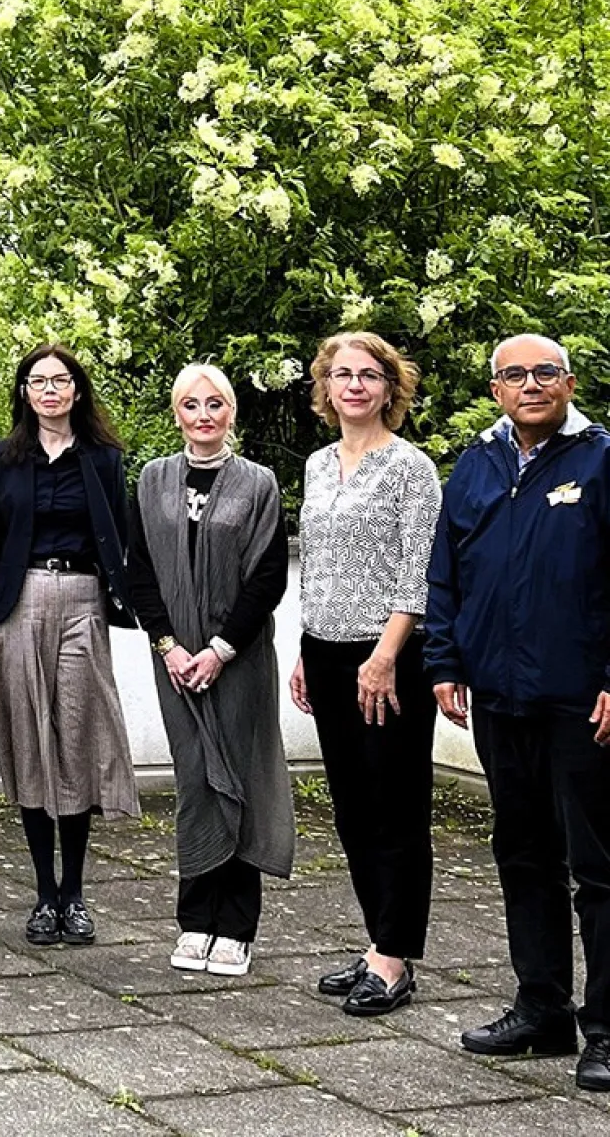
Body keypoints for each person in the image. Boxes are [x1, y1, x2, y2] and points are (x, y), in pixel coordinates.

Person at [426, 333, 610, 1091]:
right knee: (523, 857)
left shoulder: (600, 459)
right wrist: (443, 663)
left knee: (600, 870)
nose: (530, 384)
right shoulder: (476, 464)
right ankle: (541, 1010)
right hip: (499, 697)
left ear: (567, 383)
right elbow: (446, 573)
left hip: (581, 700)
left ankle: (605, 1030)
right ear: (495, 388)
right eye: (514, 374)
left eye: (545, 372)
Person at [290, 332, 441, 1016]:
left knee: (395, 808)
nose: (354, 385)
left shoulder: (412, 468)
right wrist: (303, 648)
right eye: (342, 374)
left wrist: (383, 657)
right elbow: (317, 563)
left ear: (390, 388)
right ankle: (378, 937)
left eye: (369, 375)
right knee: (351, 807)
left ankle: (395, 958)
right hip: (325, 651)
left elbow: (420, 574)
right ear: (326, 387)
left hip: (389, 656)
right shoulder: (319, 464)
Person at [129, 364, 291, 976]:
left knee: (242, 781)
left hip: (238, 661)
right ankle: (195, 920)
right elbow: (138, 571)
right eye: (191, 404)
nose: (203, 414)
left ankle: (237, 929)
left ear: (231, 413)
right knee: (196, 780)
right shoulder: (151, 481)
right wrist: (169, 644)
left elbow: (267, 577)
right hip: (175, 663)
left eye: (215, 403)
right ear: (177, 414)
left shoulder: (259, 484)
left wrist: (221, 648)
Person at [0, 345, 137, 948]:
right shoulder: (5, 458)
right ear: (24, 392)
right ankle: (43, 894)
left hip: (82, 601)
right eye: (37, 381)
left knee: (74, 741)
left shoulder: (103, 457)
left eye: (61, 380)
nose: (49, 390)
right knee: (30, 743)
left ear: (77, 390)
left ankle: (74, 894)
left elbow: (117, 532)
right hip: (21, 604)